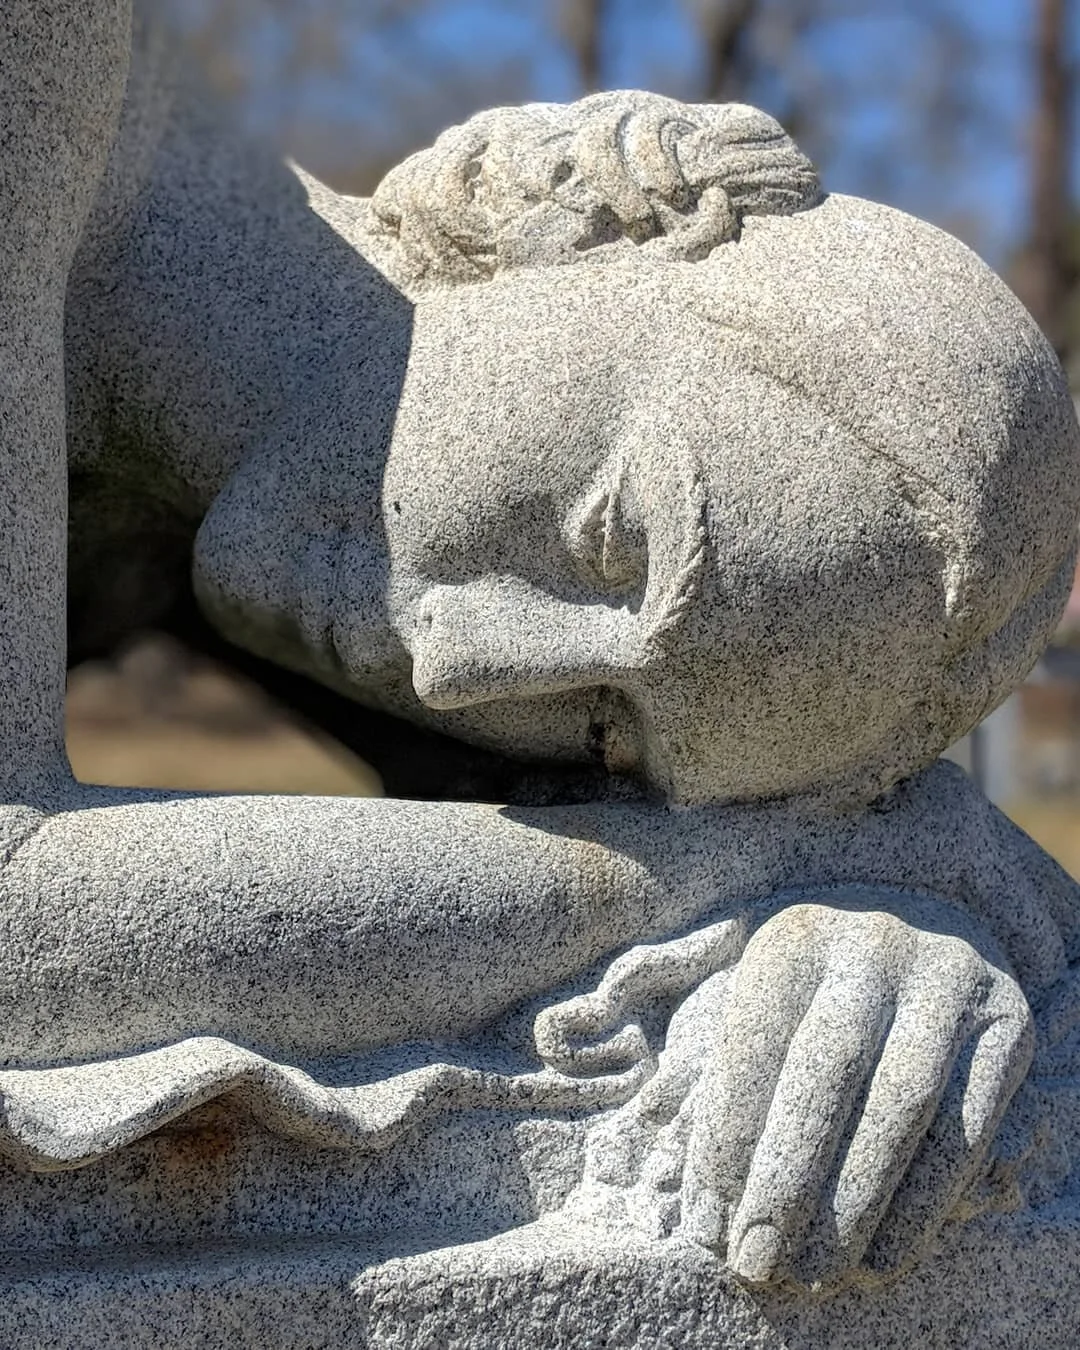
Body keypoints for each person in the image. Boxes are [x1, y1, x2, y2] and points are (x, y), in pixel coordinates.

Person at [3, 6, 1079, 1290]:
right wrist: (753, 873)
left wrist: (888, 906)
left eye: (603, 726)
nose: (469, 666)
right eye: (614, 534)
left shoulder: (266, 513)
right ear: (605, 227)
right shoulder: (38, 63)